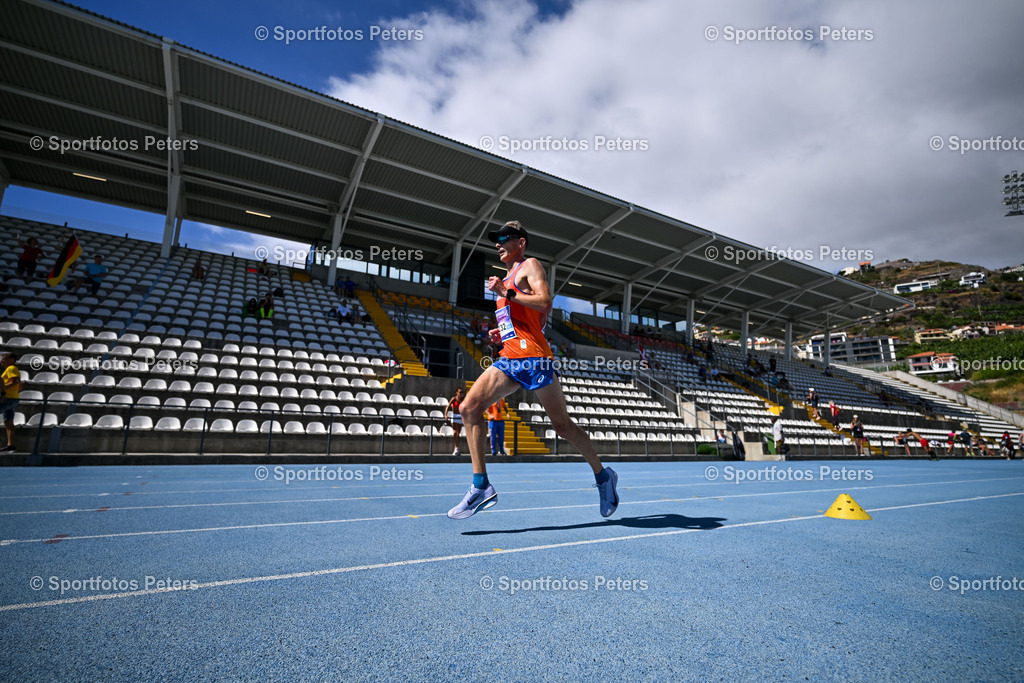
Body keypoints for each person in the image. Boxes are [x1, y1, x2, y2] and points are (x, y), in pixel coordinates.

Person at [447, 221, 618, 520]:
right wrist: (501, 334)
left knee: (562, 427)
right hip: (509, 358)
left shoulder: (530, 266)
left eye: (503, 239)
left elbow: (545, 303)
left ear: (521, 242)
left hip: (535, 359)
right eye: (495, 241)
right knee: (468, 409)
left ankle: (603, 476)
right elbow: (530, 321)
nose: (498, 244)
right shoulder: (504, 281)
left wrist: (507, 292)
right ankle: (480, 486)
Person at [0, 352, 22, 452]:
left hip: (7, 399)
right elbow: (19, 384)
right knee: (9, 423)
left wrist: (2, 389)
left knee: (8, 423)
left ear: (11, 360)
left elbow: (15, 382)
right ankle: (10, 445)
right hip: (13, 398)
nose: (1, 360)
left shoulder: (11, 368)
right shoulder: (9, 369)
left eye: (4, 358)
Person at [444, 387, 465, 456]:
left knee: (458, 434)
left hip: (460, 416)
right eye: (460, 392)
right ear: (456, 392)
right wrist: (445, 414)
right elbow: (448, 406)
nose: (461, 393)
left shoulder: (463, 399)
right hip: (455, 416)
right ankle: (456, 448)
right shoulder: (454, 399)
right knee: (455, 432)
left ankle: (456, 448)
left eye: (462, 392)